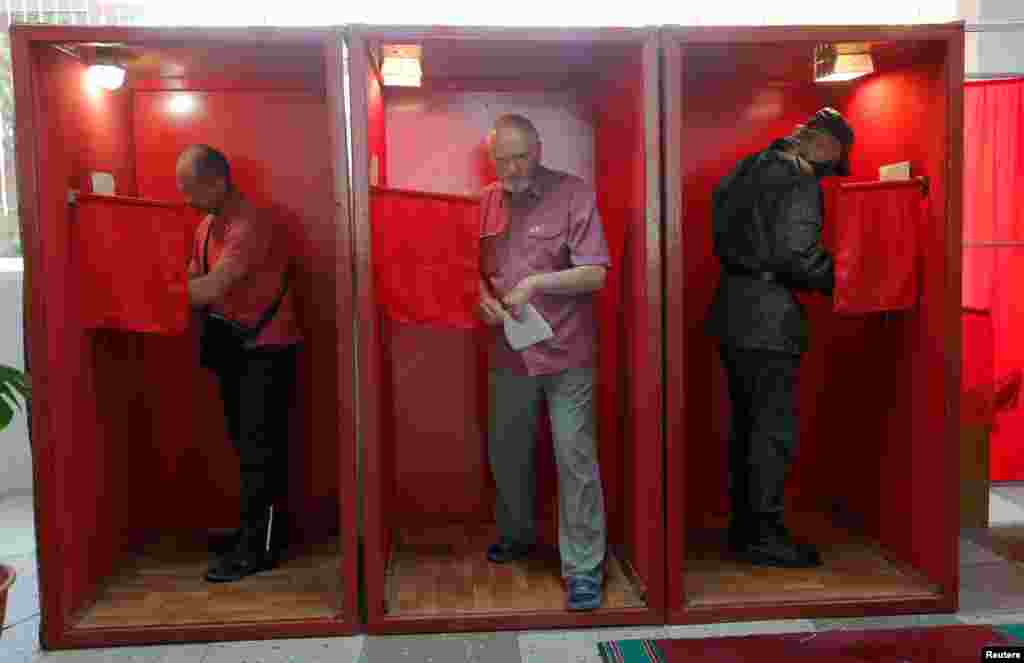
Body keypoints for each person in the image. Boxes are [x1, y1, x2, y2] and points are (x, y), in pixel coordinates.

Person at [704, 108, 855, 568]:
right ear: (826, 145)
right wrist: (848, 277)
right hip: (769, 318)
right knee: (771, 431)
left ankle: (744, 528)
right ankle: (764, 534)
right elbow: (798, 257)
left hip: (731, 308)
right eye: (834, 161)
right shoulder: (800, 179)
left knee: (747, 426)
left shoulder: (745, 168)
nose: (830, 172)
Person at [477, 114, 612, 611]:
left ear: (538, 150)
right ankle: (517, 536)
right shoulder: (485, 202)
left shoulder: (572, 193)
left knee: (574, 457)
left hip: (565, 350)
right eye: (502, 158)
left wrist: (537, 283)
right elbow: (469, 269)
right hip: (509, 349)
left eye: (521, 156)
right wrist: (481, 299)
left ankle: (583, 569)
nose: (512, 167)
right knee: (507, 452)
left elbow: (595, 273)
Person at [179, 145, 302, 583]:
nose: (185, 198)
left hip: (267, 352)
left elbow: (209, 287)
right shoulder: (206, 225)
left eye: (191, 189)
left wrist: (149, 289)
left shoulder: (250, 225)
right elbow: (195, 279)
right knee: (245, 447)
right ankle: (253, 532)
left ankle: (259, 548)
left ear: (218, 182)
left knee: (260, 450)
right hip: (236, 350)